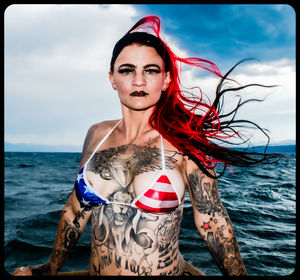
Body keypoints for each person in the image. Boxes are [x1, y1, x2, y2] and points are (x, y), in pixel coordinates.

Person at [13, 15, 281, 276]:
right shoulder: (97, 134)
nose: (138, 81)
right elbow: (74, 212)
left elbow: (213, 223)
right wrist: (49, 268)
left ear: (165, 80)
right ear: (112, 78)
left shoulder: (184, 143)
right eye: (127, 70)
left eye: (150, 71)